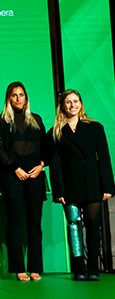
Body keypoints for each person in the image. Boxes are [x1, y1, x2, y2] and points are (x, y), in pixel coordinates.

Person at [49, 89, 114, 281]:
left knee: (93, 226)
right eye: (68, 102)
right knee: (74, 227)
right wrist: (58, 190)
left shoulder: (95, 127)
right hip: (70, 186)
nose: (72, 105)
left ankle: (93, 268)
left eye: (75, 101)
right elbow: (55, 163)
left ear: (81, 104)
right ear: (62, 106)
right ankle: (79, 269)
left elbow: (104, 159)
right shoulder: (56, 131)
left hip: (92, 183)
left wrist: (108, 187)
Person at [0, 82, 48, 282]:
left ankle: (35, 268)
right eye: (14, 95)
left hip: (35, 176)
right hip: (12, 176)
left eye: (21, 95)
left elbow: (45, 146)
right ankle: (19, 268)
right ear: (8, 99)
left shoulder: (37, 120)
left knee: (35, 223)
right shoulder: (1, 121)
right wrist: (14, 168)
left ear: (26, 98)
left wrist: (41, 165)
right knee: (15, 223)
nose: (18, 98)